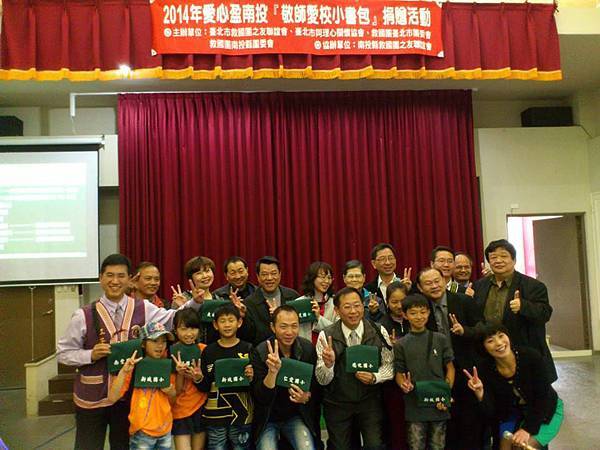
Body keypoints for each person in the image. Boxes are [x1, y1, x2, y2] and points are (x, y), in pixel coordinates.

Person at [57, 253, 203, 450]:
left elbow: (172, 319)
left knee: (123, 445)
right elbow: (63, 353)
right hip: (92, 396)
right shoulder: (83, 315)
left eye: (121, 276)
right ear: (100, 278)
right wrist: (89, 355)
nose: (115, 281)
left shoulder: (143, 308)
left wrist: (194, 302)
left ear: (130, 279)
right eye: (109, 275)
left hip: (128, 397)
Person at [316, 287, 394, 450]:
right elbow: (322, 379)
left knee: (375, 445)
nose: (353, 311)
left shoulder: (378, 331)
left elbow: (389, 365)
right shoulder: (326, 335)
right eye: (347, 307)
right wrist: (329, 365)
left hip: (370, 401)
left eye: (357, 305)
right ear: (337, 310)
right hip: (338, 403)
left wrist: (375, 377)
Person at [464, 323, 563, 450]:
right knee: (505, 446)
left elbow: (543, 398)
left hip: (546, 410)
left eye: (501, 336)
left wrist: (527, 429)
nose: (499, 343)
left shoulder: (531, 357)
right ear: (483, 347)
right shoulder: (485, 369)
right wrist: (481, 393)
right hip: (513, 413)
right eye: (490, 341)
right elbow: (493, 412)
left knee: (523, 447)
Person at [416, 267, 483, 450]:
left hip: (467, 370)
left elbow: (483, 329)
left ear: (445, 281)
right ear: (420, 288)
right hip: (437, 374)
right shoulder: (420, 309)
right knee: (444, 423)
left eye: (437, 281)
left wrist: (465, 331)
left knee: (470, 422)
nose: (434, 286)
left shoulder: (464, 301)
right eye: (428, 283)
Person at [472, 239, 557, 382]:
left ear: (514, 260)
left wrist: (523, 306)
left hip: (524, 353)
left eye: (504, 256)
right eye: (493, 257)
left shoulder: (533, 286)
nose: (498, 260)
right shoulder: (479, 286)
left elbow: (545, 313)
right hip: (491, 354)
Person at [251, 305, 320, 450]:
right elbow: (261, 397)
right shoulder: (261, 351)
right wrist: (272, 372)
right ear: (273, 327)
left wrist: (306, 396)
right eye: (283, 327)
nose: (289, 332)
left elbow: (316, 387)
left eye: (294, 326)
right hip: (268, 419)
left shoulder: (306, 349)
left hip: (295, 415)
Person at [394, 294, 455, 450]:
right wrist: (403, 385)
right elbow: (399, 372)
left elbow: (450, 368)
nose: (419, 317)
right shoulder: (401, 344)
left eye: (422, 312)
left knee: (438, 445)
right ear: (405, 315)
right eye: (413, 313)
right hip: (414, 403)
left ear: (428, 312)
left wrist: (446, 393)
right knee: (416, 445)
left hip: (438, 403)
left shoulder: (440, 339)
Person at [108, 321, 178, 449]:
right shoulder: (134, 367)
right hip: (142, 432)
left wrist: (171, 392)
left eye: (163, 341)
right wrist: (123, 372)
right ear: (143, 343)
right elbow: (112, 397)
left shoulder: (167, 366)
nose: (160, 345)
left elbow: (173, 400)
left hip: (165, 430)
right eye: (155, 341)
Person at [196, 304, 254, 450]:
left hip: (241, 414)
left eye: (231, 320)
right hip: (215, 415)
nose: (227, 325)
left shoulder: (248, 348)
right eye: (222, 321)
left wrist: (252, 376)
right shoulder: (208, 351)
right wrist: (197, 378)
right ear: (215, 325)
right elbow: (204, 386)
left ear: (239, 322)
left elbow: (256, 384)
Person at [173, 256, 247, 345]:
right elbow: (175, 329)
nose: (205, 276)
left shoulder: (220, 299)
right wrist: (185, 309)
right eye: (199, 273)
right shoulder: (183, 298)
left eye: (207, 271)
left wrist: (239, 313)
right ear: (191, 278)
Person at [379, 281, 410, 450]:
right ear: (387, 302)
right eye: (394, 302)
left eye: (402, 301)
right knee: (396, 428)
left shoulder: (416, 318)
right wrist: (391, 348)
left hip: (416, 379)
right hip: (392, 384)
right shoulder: (381, 325)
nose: (399, 306)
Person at [170, 308, 208, 450]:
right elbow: (177, 390)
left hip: (201, 407)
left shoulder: (204, 350)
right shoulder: (170, 352)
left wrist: (198, 377)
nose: (189, 333)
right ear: (175, 330)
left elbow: (208, 383)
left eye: (193, 328)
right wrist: (180, 373)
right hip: (180, 409)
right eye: (184, 329)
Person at [244, 256, 300, 345]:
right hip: (263, 349)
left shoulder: (293, 296)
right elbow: (248, 336)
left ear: (280, 274)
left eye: (274, 273)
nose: (269, 278)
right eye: (264, 274)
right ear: (258, 277)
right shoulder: (249, 303)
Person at [295, 261, 337, 343]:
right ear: (312, 278)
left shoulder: (335, 302)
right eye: (322, 277)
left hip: (328, 347)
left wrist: (318, 318)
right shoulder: (299, 302)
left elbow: (338, 331)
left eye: (329, 278)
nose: (326, 281)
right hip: (305, 347)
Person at [365, 243, 412, 310]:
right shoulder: (368, 289)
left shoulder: (406, 284)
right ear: (373, 263)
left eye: (391, 258)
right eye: (382, 259)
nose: (388, 262)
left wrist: (408, 291)